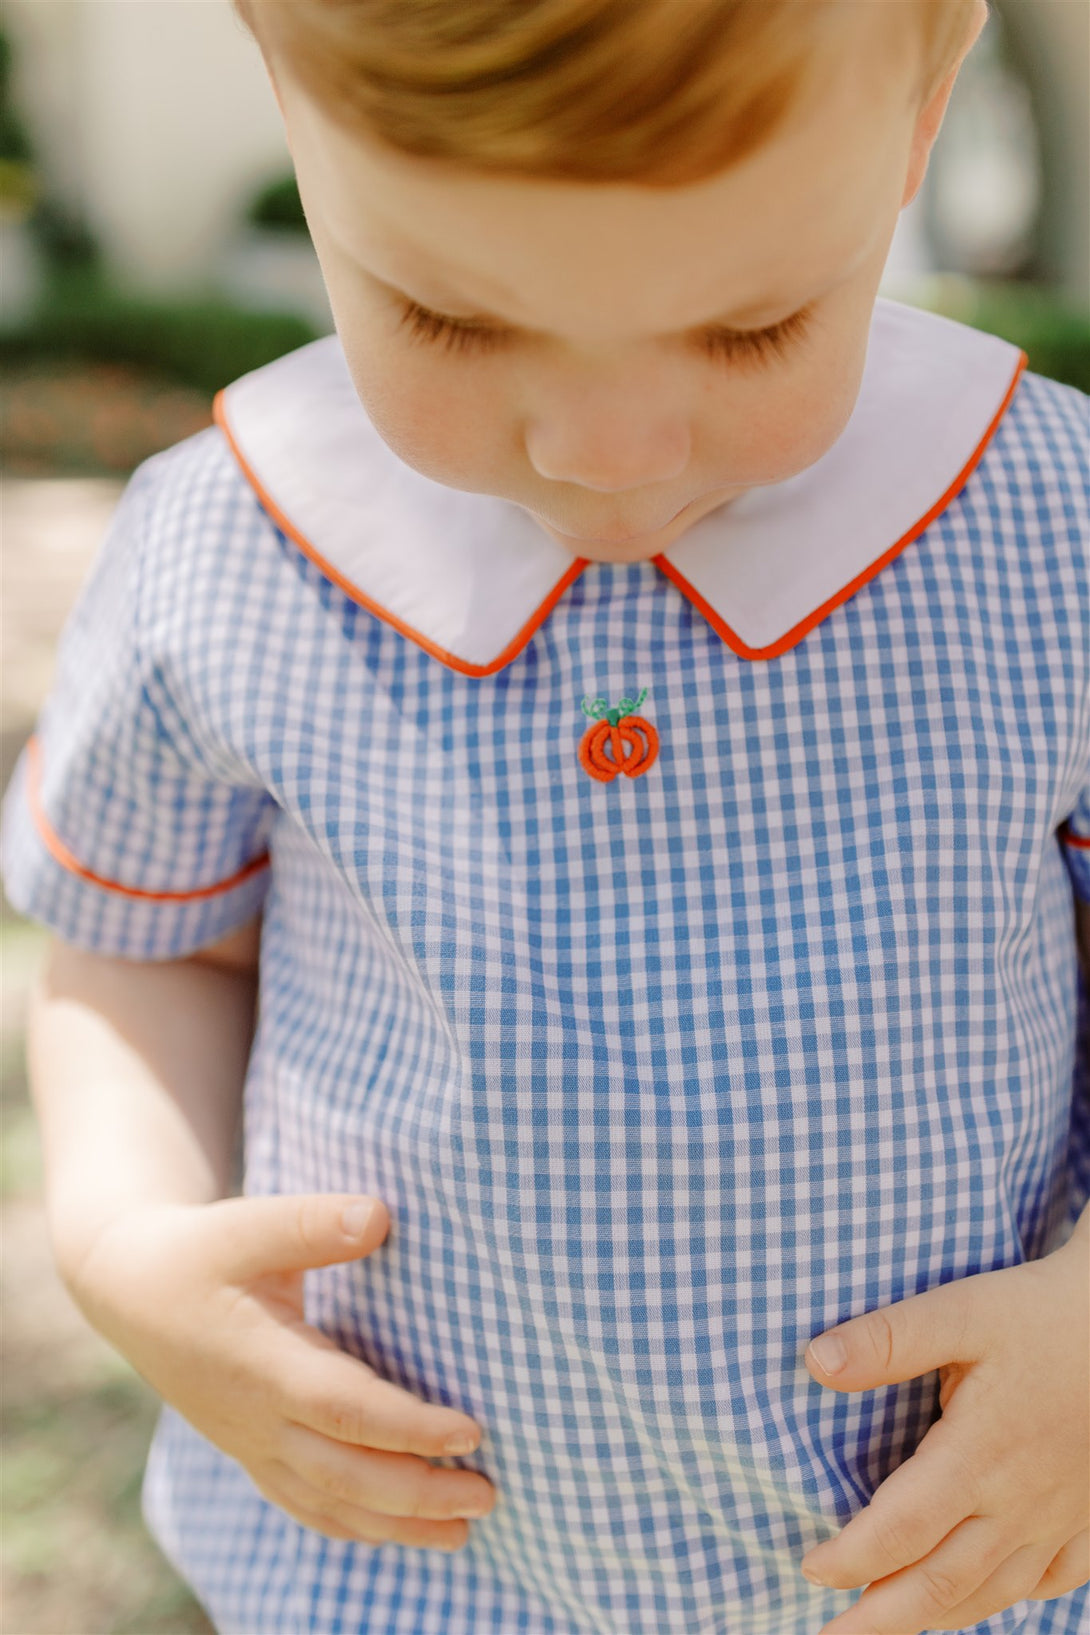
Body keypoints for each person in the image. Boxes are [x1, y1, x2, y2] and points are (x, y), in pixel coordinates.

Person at [2, 0, 1087, 1630]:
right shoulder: (227, 549)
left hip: (952, 1568)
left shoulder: (1049, 529)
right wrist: (126, 1238)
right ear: (292, 110)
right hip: (407, 1580)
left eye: (750, 328)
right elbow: (140, 951)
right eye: (448, 319)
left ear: (925, 106)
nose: (605, 456)